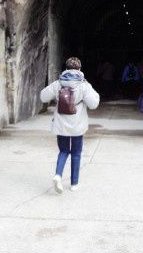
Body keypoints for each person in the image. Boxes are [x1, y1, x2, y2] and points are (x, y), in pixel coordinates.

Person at [40, 57, 100, 193]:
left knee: (63, 151)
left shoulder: (58, 83)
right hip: (77, 125)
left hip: (61, 124)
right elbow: (94, 104)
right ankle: (74, 184)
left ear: (66, 68)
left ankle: (58, 175)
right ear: (79, 69)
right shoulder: (83, 85)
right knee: (76, 153)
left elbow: (43, 97)